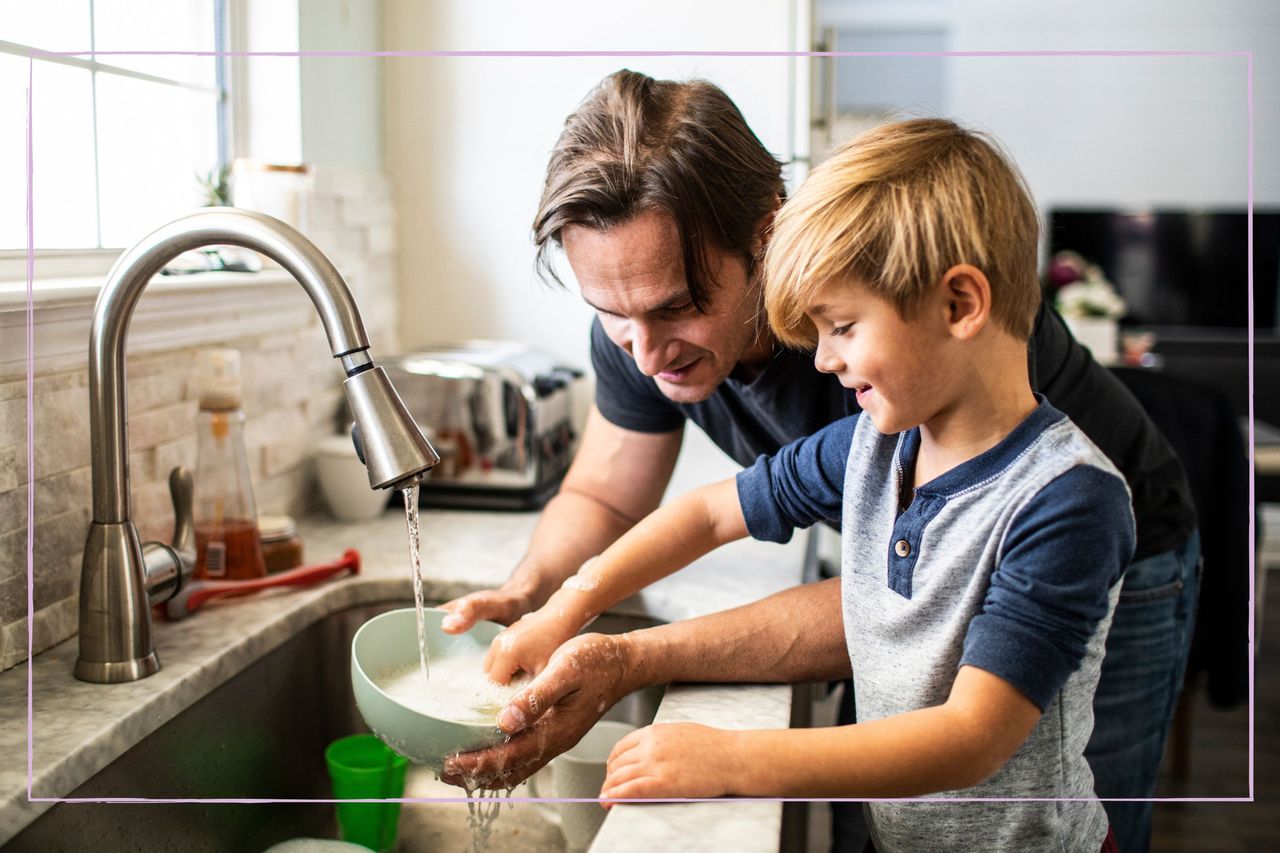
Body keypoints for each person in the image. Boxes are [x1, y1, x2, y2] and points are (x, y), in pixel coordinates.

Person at [440, 70, 1200, 853]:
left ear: (766, 239)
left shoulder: (909, 341)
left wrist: (662, 687)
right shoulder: (876, 416)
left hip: (1124, 563)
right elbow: (621, 490)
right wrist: (541, 600)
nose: (642, 351)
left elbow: (916, 637)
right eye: (612, 316)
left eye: (675, 307)